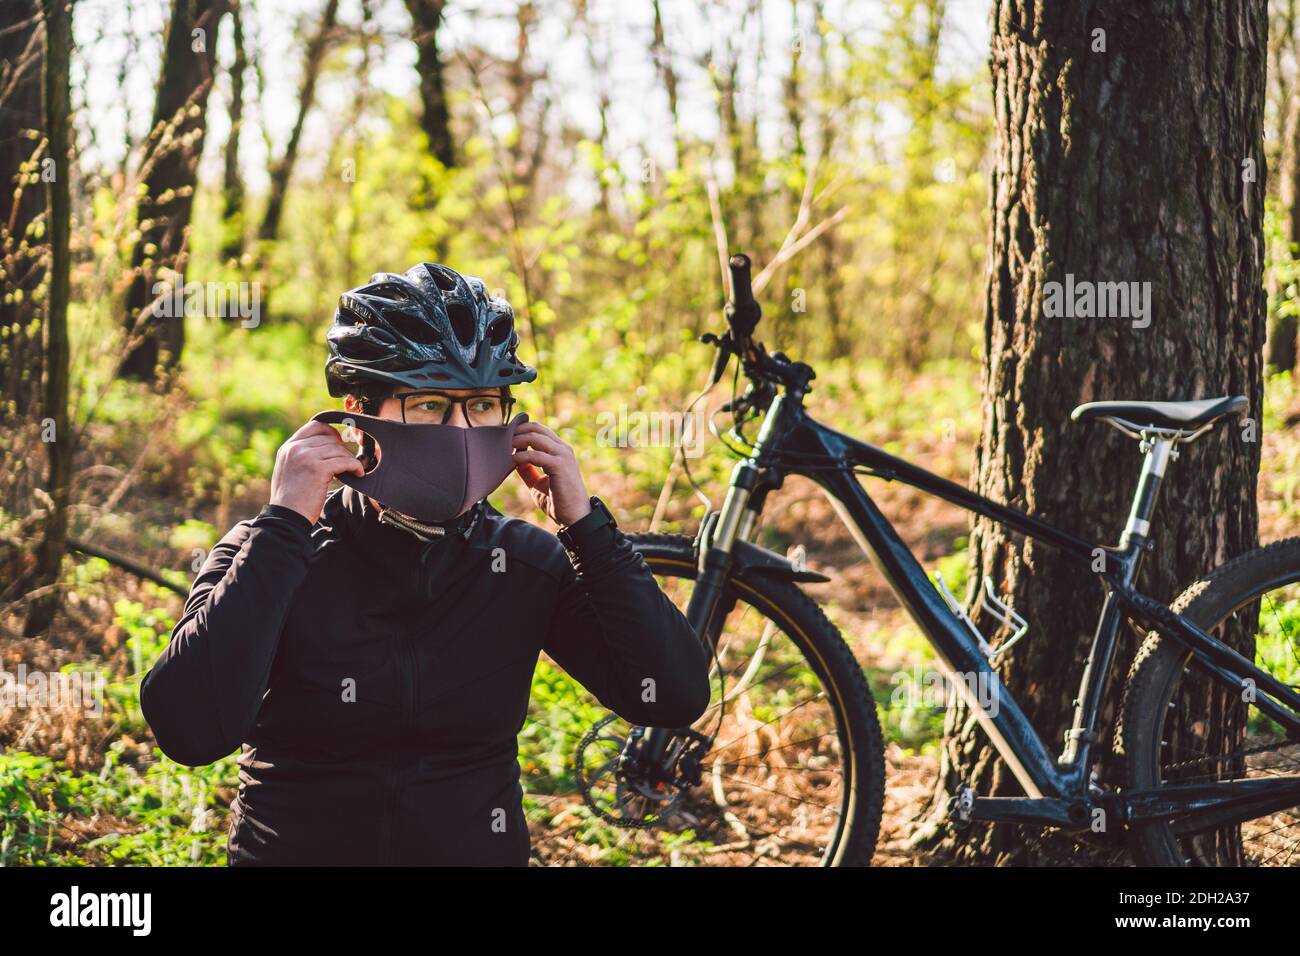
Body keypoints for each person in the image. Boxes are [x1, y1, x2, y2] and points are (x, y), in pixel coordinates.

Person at [139, 262, 712, 866]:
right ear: (361, 412)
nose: (462, 431)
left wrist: (588, 530)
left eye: (484, 406)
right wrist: (284, 525)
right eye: (433, 403)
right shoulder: (276, 553)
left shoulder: (524, 562)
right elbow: (191, 729)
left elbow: (670, 696)